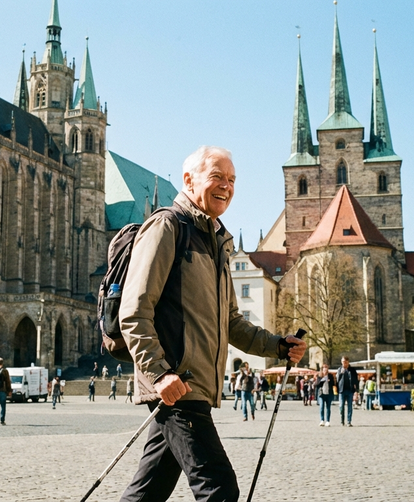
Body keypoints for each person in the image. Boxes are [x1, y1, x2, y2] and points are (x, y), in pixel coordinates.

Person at [118, 146, 307, 501]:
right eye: (217, 177)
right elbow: (134, 310)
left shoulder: (216, 241)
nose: (226, 186)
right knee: (218, 487)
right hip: (177, 385)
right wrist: (159, 373)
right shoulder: (167, 227)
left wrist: (278, 346)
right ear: (189, 180)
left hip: (193, 387)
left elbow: (232, 323)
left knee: (150, 489)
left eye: (232, 179)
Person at [335, 357, 358, 427]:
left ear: (348, 362)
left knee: (350, 406)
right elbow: (337, 380)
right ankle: (342, 420)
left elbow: (356, 380)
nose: (343, 363)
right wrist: (341, 373)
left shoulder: (352, 370)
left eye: (345, 362)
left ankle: (349, 421)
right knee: (341, 406)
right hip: (342, 390)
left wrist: (356, 391)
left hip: (350, 390)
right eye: (342, 362)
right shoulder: (339, 369)